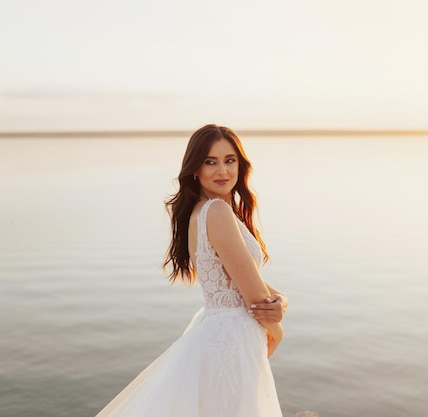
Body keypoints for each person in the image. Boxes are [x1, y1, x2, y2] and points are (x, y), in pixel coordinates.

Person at [96, 124, 288, 417]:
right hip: (234, 336)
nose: (222, 170)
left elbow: (247, 281)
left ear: (240, 165)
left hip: (220, 330)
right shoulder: (218, 212)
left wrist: (281, 301)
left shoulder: (203, 211)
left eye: (229, 160)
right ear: (195, 168)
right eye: (210, 162)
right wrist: (278, 331)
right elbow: (254, 298)